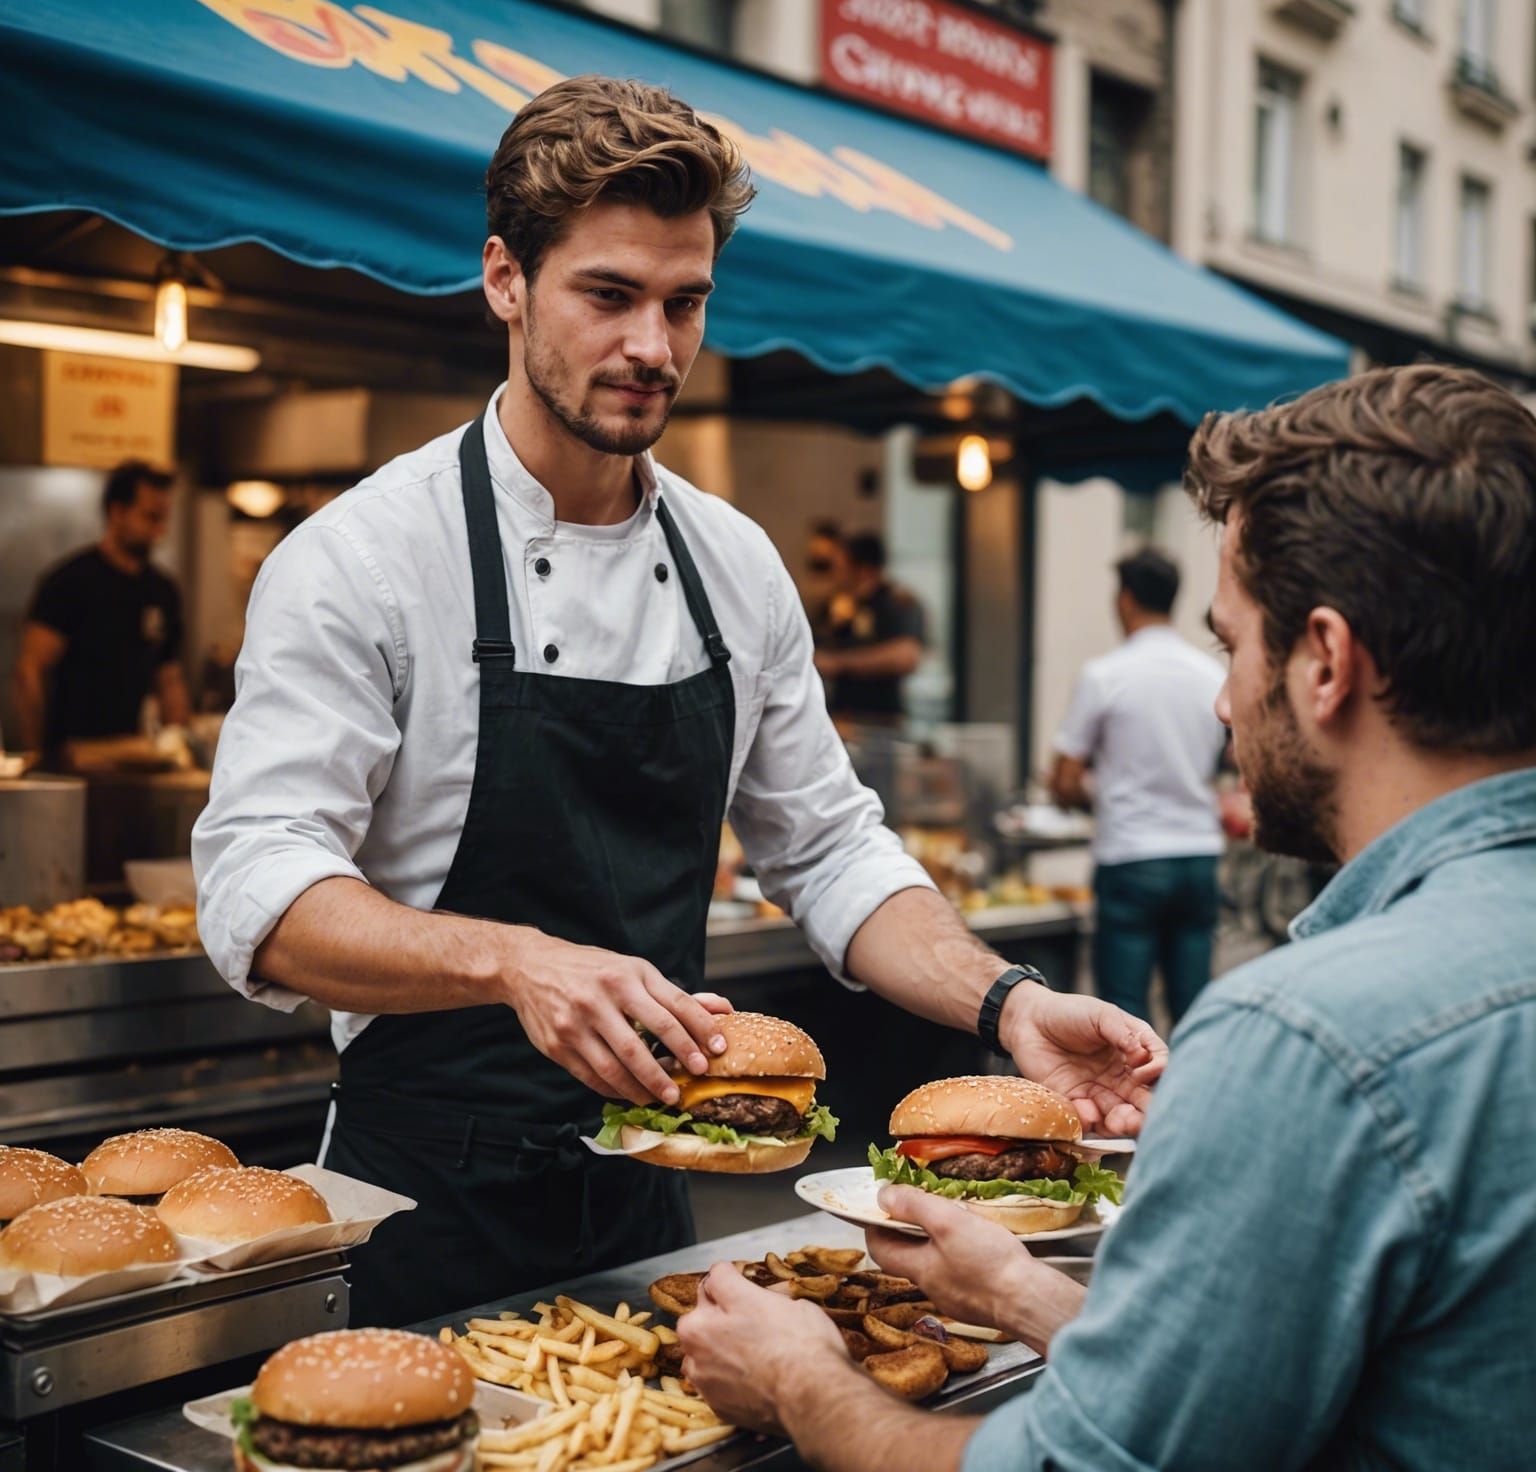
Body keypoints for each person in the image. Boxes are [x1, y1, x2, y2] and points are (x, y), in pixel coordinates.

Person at [193, 76, 1166, 1328]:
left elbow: (826, 846)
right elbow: (258, 889)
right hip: (422, 1198)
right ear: (506, 280)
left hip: (655, 1185)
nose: (653, 347)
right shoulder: (364, 558)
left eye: (685, 301)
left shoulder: (735, 565)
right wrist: (512, 962)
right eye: (609, 295)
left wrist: (1009, 1001)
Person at [675, 364, 1536, 1472]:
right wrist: (1015, 1290)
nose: (1223, 700)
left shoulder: (1309, 1039)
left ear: (1325, 661)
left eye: (1233, 646)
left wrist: (800, 1380)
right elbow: (1256, 1395)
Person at [1049, 547, 1227, 1025]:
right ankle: (1197, 1099)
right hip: (1198, 854)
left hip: (1131, 855)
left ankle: (1137, 1103)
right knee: (1193, 1010)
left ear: (1125, 599)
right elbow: (1227, 761)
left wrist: (1096, 792)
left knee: (1124, 1015)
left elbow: (1064, 779)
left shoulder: (1105, 675)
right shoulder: (1211, 674)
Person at [13, 459, 189, 763]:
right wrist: (36, 753)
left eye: (164, 519)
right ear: (117, 512)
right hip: (73, 752)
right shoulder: (71, 581)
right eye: (150, 517)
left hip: (131, 752)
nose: (159, 530)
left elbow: (169, 678)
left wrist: (180, 742)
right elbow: (30, 670)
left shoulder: (162, 591)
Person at [813, 531, 927, 724]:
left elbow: (907, 655)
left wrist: (839, 663)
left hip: (881, 718)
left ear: (863, 570)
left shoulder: (896, 603)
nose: (834, 574)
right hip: (838, 716)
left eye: (840, 567)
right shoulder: (832, 606)